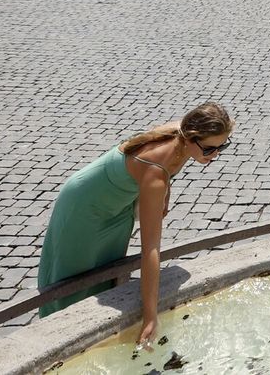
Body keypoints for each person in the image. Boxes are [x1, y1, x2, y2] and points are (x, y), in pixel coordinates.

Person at [38, 102, 234, 348]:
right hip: (85, 207)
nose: (215, 155)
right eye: (210, 149)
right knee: (73, 279)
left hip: (117, 206)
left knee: (105, 272)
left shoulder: (182, 133)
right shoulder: (155, 172)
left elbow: (165, 166)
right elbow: (150, 248)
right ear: (191, 138)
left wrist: (166, 191)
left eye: (222, 146)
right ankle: (57, 341)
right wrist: (150, 316)